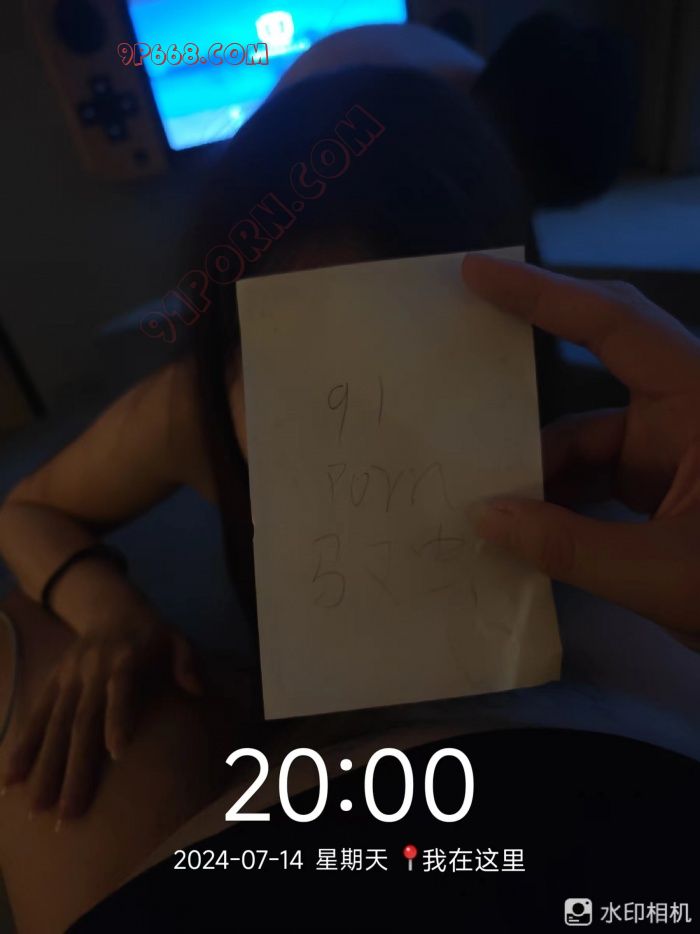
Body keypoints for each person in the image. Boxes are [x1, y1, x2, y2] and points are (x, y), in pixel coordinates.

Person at [0, 16, 681, 932]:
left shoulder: (590, 447)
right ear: (228, 353)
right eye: (303, 372)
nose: (370, 423)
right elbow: (27, 506)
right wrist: (106, 609)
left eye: (431, 361)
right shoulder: (193, 411)